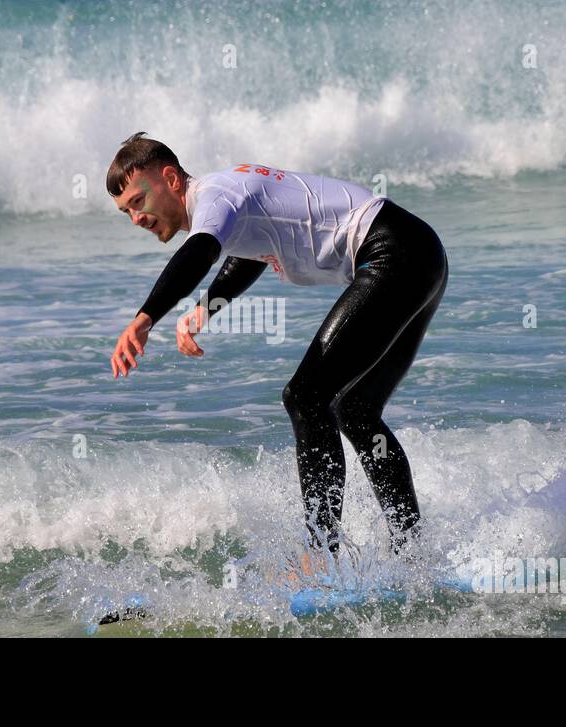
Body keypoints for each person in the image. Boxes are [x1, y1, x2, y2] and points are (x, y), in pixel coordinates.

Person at [107, 132, 448, 562]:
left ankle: (321, 556)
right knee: (356, 410)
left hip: (392, 254)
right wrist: (206, 308)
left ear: (170, 178)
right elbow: (249, 251)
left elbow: (201, 252)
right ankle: (414, 555)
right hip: (418, 253)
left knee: (306, 397)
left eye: (138, 202)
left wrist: (145, 317)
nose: (136, 218)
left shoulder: (215, 196)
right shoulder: (225, 201)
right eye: (126, 213)